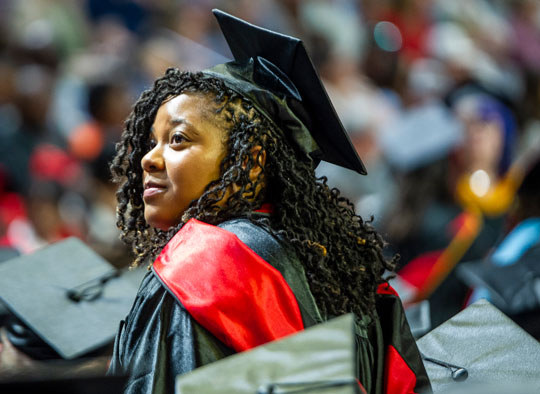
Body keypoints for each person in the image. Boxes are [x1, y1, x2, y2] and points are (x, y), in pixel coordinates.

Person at [107, 10, 429, 394]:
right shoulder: (345, 272)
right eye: (150, 142)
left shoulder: (199, 270)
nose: (148, 159)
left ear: (251, 159)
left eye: (178, 139)